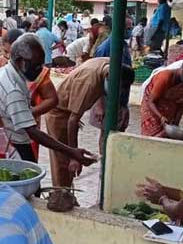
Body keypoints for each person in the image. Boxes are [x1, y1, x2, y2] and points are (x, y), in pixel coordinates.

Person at [0, 34, 93, 164]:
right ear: (20, 61)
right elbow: (32, 131)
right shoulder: (12, 89)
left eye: (41, 65)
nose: (39, 70)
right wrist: (71, 152)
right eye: (35, 65)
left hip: (10, 140)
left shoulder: (5, 72)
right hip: (14, 146)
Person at [46, 58, 134, 186]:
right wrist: (74, 156)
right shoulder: (89, 82)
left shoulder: (110, 63)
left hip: (68, 111)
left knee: (66, 160)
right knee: (63, 161)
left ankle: (67, 193)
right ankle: (61, 195)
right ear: (110, 80)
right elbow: (72, 121)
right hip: (59, 114)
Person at [140, 57, 183, 137]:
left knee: (167, 134)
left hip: (169, 111)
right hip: (153, 109)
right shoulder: (165, 77)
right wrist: (161, 117)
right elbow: (151, 101)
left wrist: (176, 122)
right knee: (151, 137)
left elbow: (181, 105)